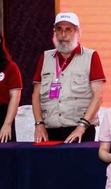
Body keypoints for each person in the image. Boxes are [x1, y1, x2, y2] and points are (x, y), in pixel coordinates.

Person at [32, 12, 106, 143]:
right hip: (50, 130)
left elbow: (98, 96)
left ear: (77, 32)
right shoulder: (45, 57)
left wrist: (81, 127)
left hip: (80, 130)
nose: (63, 35)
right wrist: (39, 124)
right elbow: (36, 94)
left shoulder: (91, 56)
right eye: (59, 30)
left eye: (68, 30)